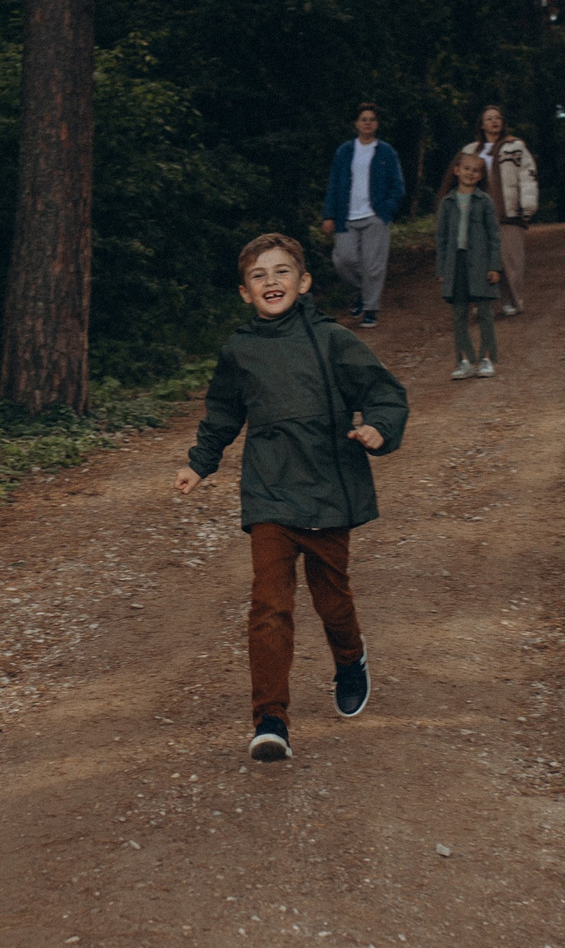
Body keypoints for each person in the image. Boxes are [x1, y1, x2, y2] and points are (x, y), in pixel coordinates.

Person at [174, 232, 409, 762]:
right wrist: (199, 463)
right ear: (244, 292)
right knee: (269, 605)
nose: (270, 282)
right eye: (259, 275)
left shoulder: (331, 340)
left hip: (328, 489)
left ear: (303, 282)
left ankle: (350, 659)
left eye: (281, 272)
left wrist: (377, 428)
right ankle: (271, 719)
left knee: (332, 600)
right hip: (269, 494)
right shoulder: (240, 350)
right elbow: (223, 413)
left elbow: (384, 392)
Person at [320, 101, 405, 327]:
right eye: (364, 119)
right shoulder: (345, 151)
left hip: (375, 215)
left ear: (377, 124)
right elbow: (333, 184)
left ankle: (370, 309)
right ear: (356, 123)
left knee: (373, 265)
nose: (368, 123)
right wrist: (329, 215)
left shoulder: (386, 151)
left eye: (372, 119)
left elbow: (398, 186)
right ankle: (360, 292)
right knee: (343, 260)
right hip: (346, 215)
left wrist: (387, 208)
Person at [459, 104, 538, 317]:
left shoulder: (515, 147)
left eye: (498, 118)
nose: (494, 121)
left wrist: (527, 205)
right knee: (479, 258)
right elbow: (458, 178)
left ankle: (512, 301)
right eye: (489, 118)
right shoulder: (471, 150)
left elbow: (527, 175)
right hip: (477, 212)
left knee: (510, 259)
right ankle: (483, 302)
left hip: (509, 212)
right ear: (482, 124)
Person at [436, 151, 504, 378]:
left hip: (481, 263)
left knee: (484, 312)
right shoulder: (447, 203)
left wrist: (494, 266)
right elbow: (442, 239)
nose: (470, 173)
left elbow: (494, 236)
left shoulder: (485, 201)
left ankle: (486, 358)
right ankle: (463, 360)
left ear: (481, 175)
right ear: (456, 170)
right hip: (456, 264)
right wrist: (442, 269)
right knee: (459, 314)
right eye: (466, 168)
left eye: (475, 170)